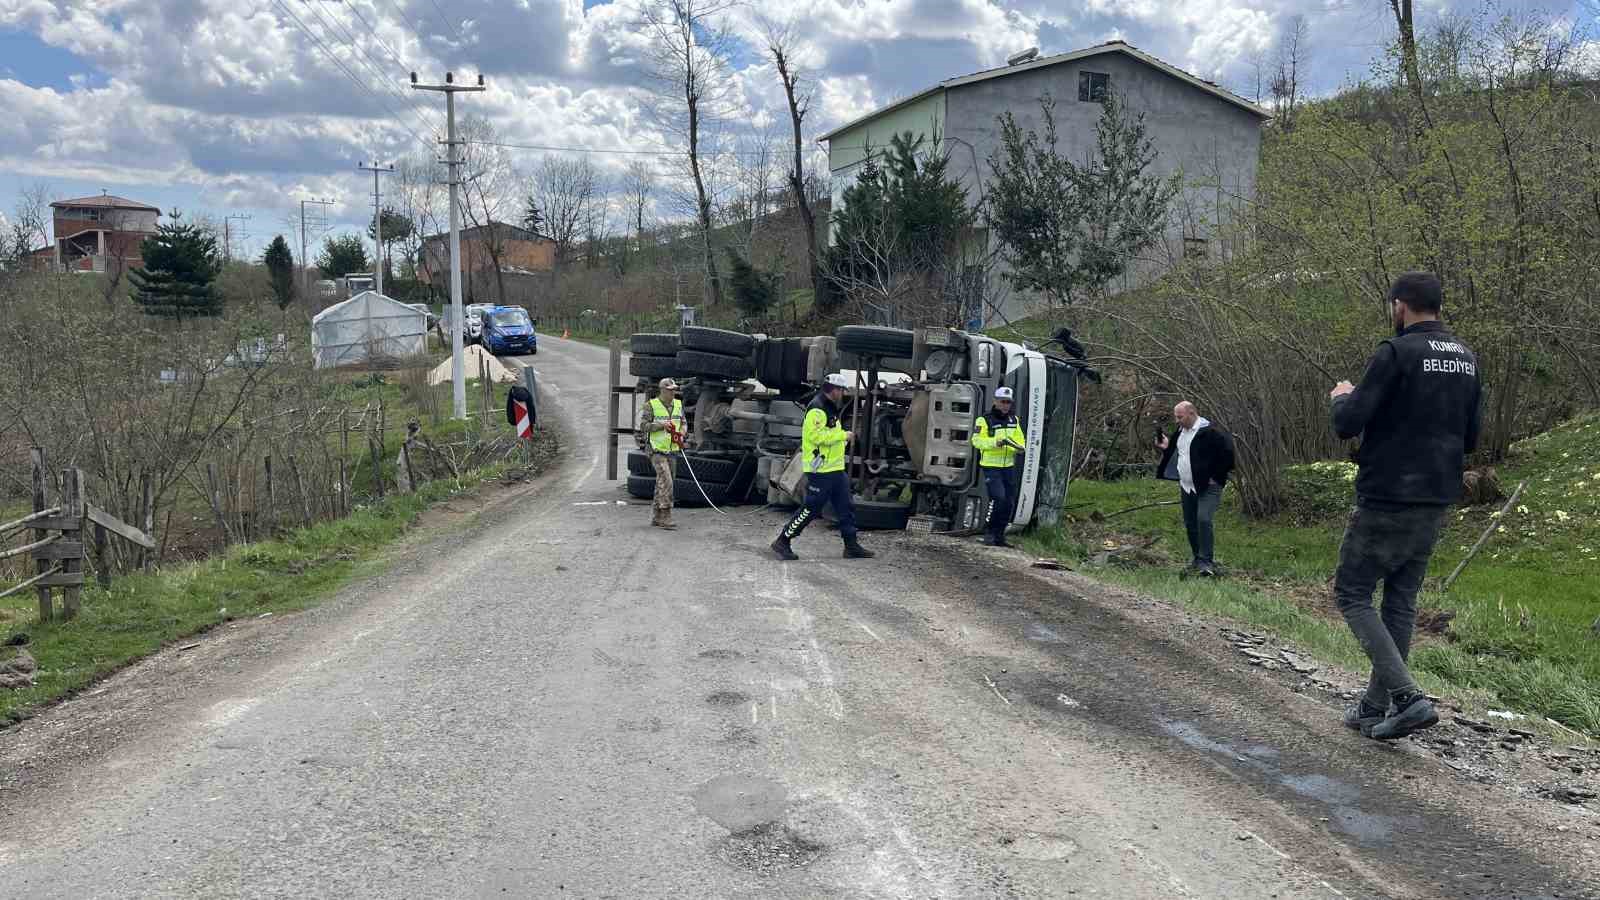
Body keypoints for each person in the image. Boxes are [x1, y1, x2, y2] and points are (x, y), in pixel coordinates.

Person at [1330, 272, 1480, 741]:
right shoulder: (1468, 359)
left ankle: (1408, 698)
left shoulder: (1395, 353)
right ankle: (1375, 705)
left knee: (1352, 593)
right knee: (1400, 599)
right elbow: (1471, 438)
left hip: (1387, 494)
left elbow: (1348, 424)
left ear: (1399, 305)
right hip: (1436, 495)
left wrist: (1341, 398)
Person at [771, 374, 875, 561]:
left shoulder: (829, 407)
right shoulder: (817, 409)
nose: (843, 394)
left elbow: (827, 434)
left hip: (834, 469)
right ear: (833, 389)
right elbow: (816, 437)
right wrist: (843, 436)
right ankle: (783, 540)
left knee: (846, 506)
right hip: (820, 471)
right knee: (810, 508)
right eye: (842, 390)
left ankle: (851, 546)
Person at [1155, 402, 1235, 576]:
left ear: (1191, 413)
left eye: (1180, 417)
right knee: (1190, 523)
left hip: (1208, 487)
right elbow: (1179, 453)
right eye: (1176, 416)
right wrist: (1166, 447)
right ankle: (1197, 559)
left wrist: (1216, 477)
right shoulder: (1180, 432)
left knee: (1203, 519)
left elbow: (1228, 454)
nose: (1177, 421)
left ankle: (1207, 562)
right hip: (1187, 486)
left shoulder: (1211, 432)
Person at [972, 386, 1026, 547]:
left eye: (1008, 402)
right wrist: (995, 443)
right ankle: (989, 533)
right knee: (998, 498)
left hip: (1008, 466)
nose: (1005, 405)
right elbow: (976, 441)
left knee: (1009, 502)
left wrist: (1019, 447)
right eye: (1002, 401)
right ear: (995, 401)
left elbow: (1020, 440)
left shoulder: (1013, 420)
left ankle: (999, 536)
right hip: (991, 466)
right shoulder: (984, 420)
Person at [638, 378, 685, 530]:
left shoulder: (678, 404)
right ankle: (666, 515)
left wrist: (682, 433)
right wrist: (660, 425)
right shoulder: (651, 405)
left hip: (672, 449)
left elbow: (683, 422)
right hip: (656, 449)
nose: (673, 392)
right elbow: (644, 426)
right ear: (663, 390)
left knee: (662, 481)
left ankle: (656, 515)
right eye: (670, 390)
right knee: (666, 480)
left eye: (674, 389)